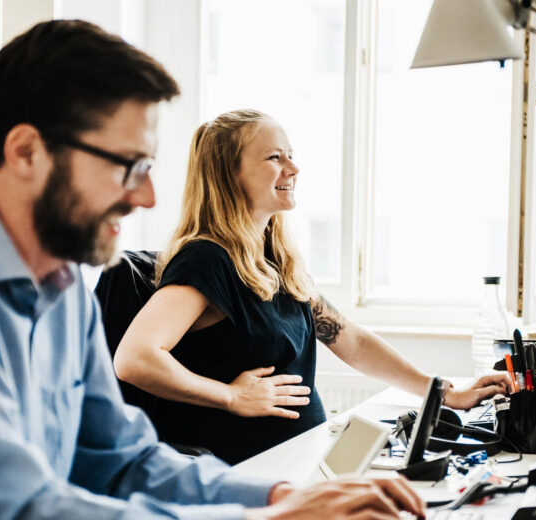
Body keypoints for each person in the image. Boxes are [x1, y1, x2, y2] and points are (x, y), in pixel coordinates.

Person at [0, 21, 426, 520]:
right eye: (127, 165)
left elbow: (123, 461)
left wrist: (280, 497)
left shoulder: (61, 282)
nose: (147, 197)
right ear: (26, 151)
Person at [114, 109, 512, 465]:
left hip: (304, 460)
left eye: (290, 154)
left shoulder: (274, 257)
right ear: (229, 173)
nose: (293, 168)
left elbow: (350, 341)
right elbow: (135, 358)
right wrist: (230, 396)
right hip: (253, 473)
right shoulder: (207, 259)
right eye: (275, 157)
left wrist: (442, 393)